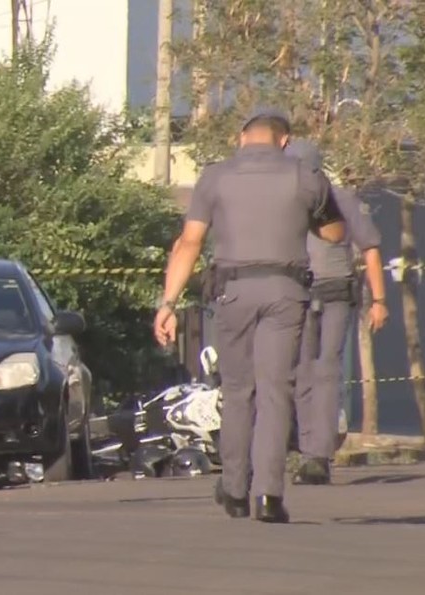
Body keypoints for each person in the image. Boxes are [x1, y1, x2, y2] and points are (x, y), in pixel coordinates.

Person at [153, 108, 346, 524]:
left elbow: (188, 242)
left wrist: (168, 304)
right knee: (276, 389)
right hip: (285, 290)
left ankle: (236, 488)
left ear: (241, 139)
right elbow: (335, 233)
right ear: (284, 141)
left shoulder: (215, 177)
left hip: (232, 291)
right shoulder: (305, 175)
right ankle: (269, 496)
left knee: (238, 389)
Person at [285, 140, 388, 485]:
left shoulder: (342, 199)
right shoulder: (286, 200)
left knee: (326, 371)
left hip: (334, 293)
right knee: (302, 373)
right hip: (296, 293)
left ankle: (319, 456)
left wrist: (380, 300)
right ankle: (308, 448)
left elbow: (371, 249)